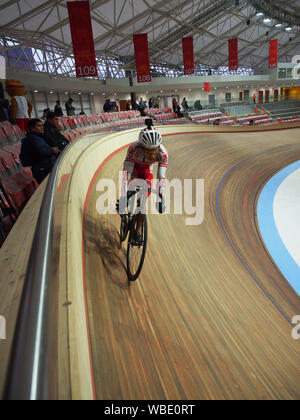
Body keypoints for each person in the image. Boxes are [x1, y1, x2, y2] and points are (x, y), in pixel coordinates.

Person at [116, 122, 168, 245]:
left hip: (146, 171)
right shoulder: (133, 149)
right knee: (130, 186)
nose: (151, 154)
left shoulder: (163, 153)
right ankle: (125, 206)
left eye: (154, 150)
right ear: (142, 146)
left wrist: (161, 198)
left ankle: (137, 232)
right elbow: (127, 173)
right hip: (133, 168)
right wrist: (125, 195)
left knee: (142, 203)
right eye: (148, 151)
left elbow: (161, 176)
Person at [19, 119, 58, 184]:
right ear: (32, 128)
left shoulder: (38, 137)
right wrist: (52, 150)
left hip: (44, 167)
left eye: (42, 125)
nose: (42, 127)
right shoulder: (32, 138)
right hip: (41, 169)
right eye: (39, 126)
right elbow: (42, 151)